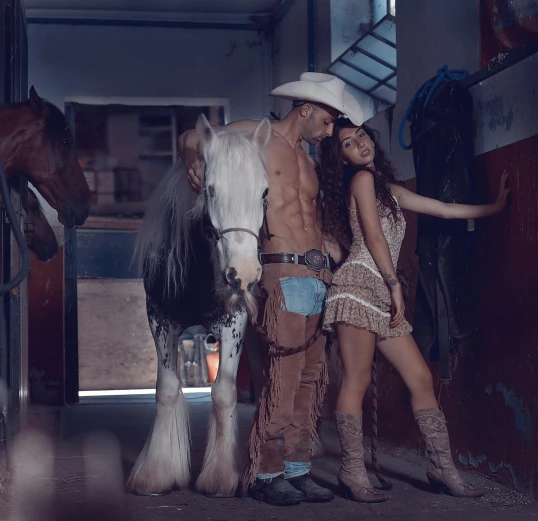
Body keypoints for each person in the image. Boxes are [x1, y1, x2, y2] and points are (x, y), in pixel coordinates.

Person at [180, 73, 362, 506]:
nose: (330, 131)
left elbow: (311, 217)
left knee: (311, 380)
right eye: (327, 120)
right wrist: (194, 157)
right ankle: (265, 471)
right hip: (282, 274)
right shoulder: (255, 135)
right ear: (305, 110)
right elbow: (194, 134)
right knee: (282, 377)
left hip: (318, 276)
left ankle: (297, 470)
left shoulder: (311, 162)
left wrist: (331, 247)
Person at [317, 118, 511, 503]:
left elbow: (441, 208)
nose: (359, 145)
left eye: (361, 136)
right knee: (356, 382)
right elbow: (372, 236)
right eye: (348, 145)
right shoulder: (362, 181)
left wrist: (495, 206)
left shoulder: (389, 189)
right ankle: (352, 472)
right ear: (342, 159)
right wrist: (394, 286)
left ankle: (442, 469)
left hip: (382, 293)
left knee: (421, 378)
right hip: (358, 288)